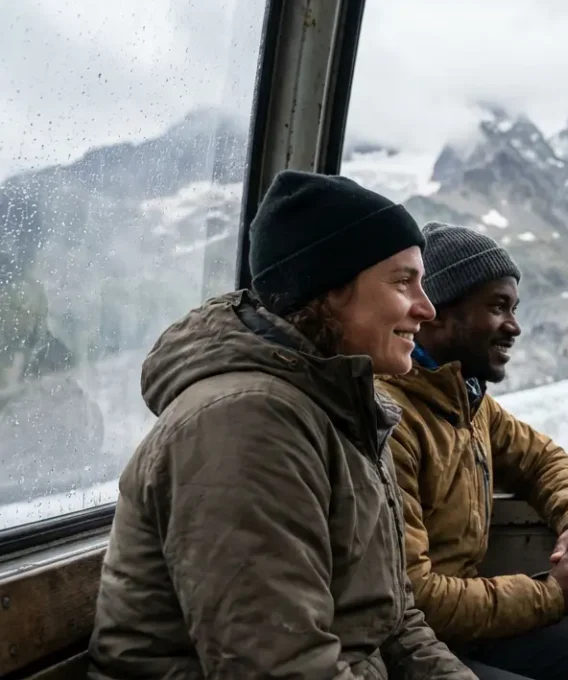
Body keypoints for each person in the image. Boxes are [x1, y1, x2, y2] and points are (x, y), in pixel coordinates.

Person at [88, 171, 477, 679]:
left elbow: (395, 624)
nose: (426, 308)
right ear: (331, 288)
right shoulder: (244, 425)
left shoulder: (342, 409)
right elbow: (279, 668)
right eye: (404, 281)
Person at [376, 223, 568, 680]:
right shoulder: (392, 418)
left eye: (513, 308)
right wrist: (553, 595)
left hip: (465, 627)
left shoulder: (468, 400)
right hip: (410, 640)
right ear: (435, 311)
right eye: (498, 307)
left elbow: (544, 461)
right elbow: (413, 596)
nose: (514, 327)